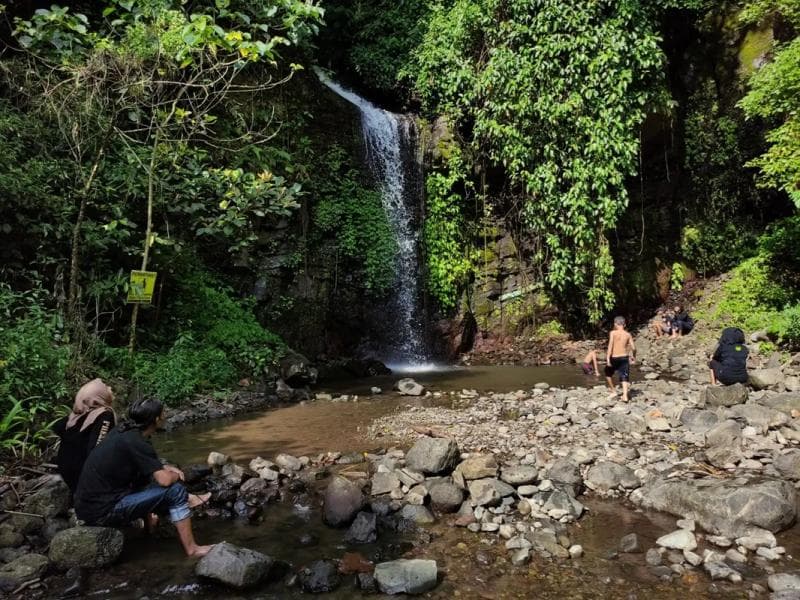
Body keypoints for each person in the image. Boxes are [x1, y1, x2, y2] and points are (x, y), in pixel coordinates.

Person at [74, 398, 213, 557]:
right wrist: (175, 474)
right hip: (102, 512)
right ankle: (193, 549)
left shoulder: (123, 431)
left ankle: (150, 527)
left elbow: (139, 468)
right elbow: (165, 480)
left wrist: (162, 467)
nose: (165, 416)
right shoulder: (137, 441)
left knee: (149, 476)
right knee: (175, 491)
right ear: (156, 420)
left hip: (88, 506)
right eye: (163, 413)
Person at [53, 378, 117, 494]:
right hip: (83, 473)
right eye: (105, 387)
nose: (110, 389)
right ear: (96, 396)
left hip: (66, 469)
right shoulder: (104, 414)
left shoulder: (76, 415)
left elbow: (57, 428)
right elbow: (98, 447)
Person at [605, 316, 636, 402]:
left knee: (608, 374)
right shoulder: (628, 334)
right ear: (624, 324)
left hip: (614, 357)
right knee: (624, 376)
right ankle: (625, 396)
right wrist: (634, 356)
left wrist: (608, 359)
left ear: (615, 324)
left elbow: (610, 346)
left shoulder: (613, 333)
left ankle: (614, 391)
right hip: (624, 357)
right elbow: (633, 348)